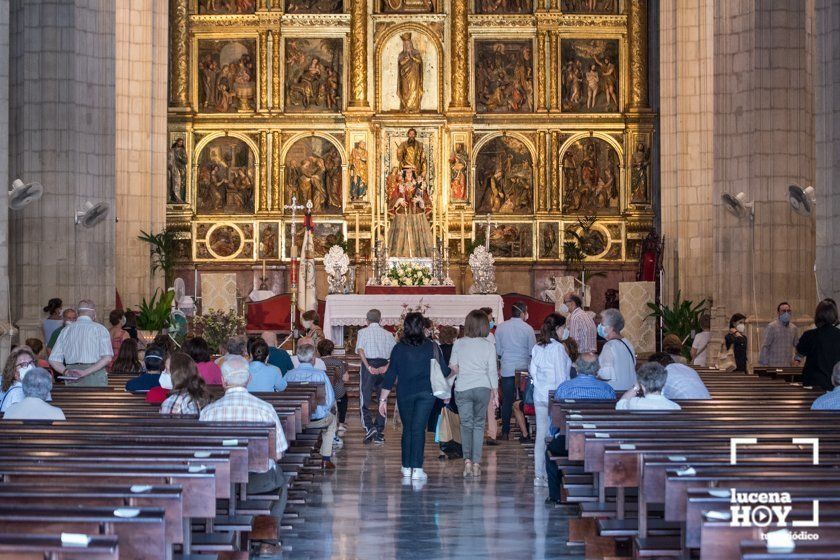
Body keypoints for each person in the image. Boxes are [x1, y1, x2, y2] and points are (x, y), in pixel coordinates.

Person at [200, 356, 289, 552]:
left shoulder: (208, 412)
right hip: (258, 480)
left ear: (223, 381)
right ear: (249, 379)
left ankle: (217, 534)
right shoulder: (265, 409)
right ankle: (267, 540)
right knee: (282, 482)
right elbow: (279, 454)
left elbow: (202, 453)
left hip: (220, 481)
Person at [379, 313, 448, 481]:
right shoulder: (432, 346)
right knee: (418, 430)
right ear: (423, 327)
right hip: (426, 393)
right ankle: (417, 468)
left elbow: (390, 375)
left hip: (405, 393)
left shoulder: (398, 348)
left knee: (408, 429)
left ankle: (406, 467)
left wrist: (382, 400)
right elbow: (444, 371)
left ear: (406, 327)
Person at [544, 356, 615, 504]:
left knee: (550, 451)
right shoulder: (607, 389)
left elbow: (554, 421)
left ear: (577, 367)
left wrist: (555, 434)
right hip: (600, 442)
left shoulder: (564, 388)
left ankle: (555, 496)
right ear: (597, 369)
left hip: (570, 441)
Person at [449, 310, 498, 478]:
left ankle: (467, 462)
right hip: (483, 387)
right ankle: (476, 463)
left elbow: (453, 367)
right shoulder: (489, 345)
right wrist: (496, 393)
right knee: (479, 425)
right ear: (485, 325)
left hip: (463, 387)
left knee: (466, 425)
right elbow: (492, 371)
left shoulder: (459, 343)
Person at [528, 313, 572, 487]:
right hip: (555, 397)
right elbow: (561, 377)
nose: (565, 331)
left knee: (541, 436)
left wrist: (540, 388)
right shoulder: (558, 348)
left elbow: (532, 371)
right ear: (558, 328)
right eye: (564, 327)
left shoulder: (538, 346)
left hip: (540, 396)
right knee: (552, 436)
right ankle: (551, 475)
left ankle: (539, 476)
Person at [285, 344, 339, 469]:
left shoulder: (289, 375)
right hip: (317, 420)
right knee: (332, 421)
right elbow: (330, 400)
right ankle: (325, 459)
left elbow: (283, 395)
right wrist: (321, 412)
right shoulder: (321, 375)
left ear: (298, 358)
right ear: (313, 358)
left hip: (295, 420)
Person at [493, 302, 536, 442]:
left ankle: (505, 432)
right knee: (525, 400)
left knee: (506, 400)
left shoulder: (501, 327)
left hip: (507, 369)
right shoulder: (528, 329)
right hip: (524, 368)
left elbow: (498, 351)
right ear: (523, 312)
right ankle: (526, 430)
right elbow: (532, 351)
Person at [48, 299, 113, 387]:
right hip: (94, 374)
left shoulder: (66, 330)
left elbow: (53, 359)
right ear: (93, 313)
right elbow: (107, 358)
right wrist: (85, 372)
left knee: (74, 400)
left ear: (78, 313)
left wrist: (66, 371)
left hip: (72, 375)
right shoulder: (100, 329)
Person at [356, 309, 396, 445]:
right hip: (384, 365)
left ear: (367, 320)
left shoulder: (363, 332)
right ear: (380, 320)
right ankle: (379, 431)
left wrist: (368, 366)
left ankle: (369, 427)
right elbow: (395, 353)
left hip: (369, 364)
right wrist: (386, 367)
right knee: (382, 399)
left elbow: (360, 350)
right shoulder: (388, 334)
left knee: (365, 397)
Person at [797, 301, 840, 390]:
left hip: (812, 382)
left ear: (817, 315)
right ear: (834, 315)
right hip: (834, 382)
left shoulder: (809, 335)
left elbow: (799, 353)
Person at [597, 309, 636, 391]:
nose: (599, 326)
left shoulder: (609, 346)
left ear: (611, 328)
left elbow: (605, 375)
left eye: (602, 324)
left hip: (614, 392)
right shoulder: (627, 343)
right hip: (629, 391)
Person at [616, 362, 681, 411]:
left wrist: (636, 387)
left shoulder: (633, 403)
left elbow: (619, 405)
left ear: (642, 387)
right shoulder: (675, 407)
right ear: (663, 384)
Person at [318, 339, 349, 437]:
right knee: (344, 398)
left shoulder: (317, 362)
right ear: (332, 350)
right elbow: (346, 378)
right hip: (337, 391)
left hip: (322, 392)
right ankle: (341, 424)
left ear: (318, 350)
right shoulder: (338, 362)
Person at [759, 302, 800, 367]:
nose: (786, 313)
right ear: (778, 313)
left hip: (787, 366)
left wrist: (797, 359)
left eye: (788, 311)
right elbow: (765, 346)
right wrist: (765, 364)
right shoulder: (771, 327)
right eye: (783, 311)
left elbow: (798, 346)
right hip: (773, 366)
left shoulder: (794, 328)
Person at [1, 347, 38, 413]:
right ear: (14, 372)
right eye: (23, 364)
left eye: (30, 362)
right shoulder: (17, 392)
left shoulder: (29, 388)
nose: (29, 367)